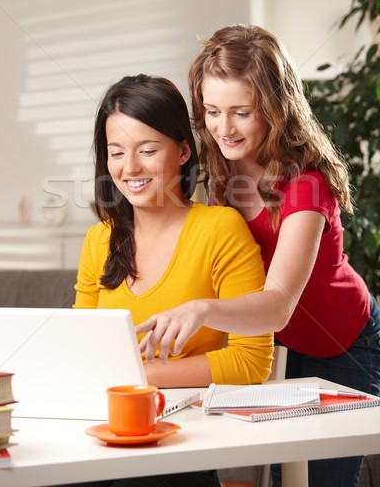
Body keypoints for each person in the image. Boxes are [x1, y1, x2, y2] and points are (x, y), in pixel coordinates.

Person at [136, 25, 380, 487]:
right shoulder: (220, 175)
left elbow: (277, 303)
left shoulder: (306, 187)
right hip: (277, 348)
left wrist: (202, 308)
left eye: (241, 113)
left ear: (275, 107)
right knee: (282, 474)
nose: (223, 128)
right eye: (211, 111)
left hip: (343, 344)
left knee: (326, 479)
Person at [72, 73, 273, 487]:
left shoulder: (220, 228)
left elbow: (252, 362)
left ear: (183, 151)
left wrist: (135, 377)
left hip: (179, 446)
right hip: (99, 437)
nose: (130, 168)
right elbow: (81, 349)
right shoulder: (100, 239)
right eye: (116, 153)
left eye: (147, 150)